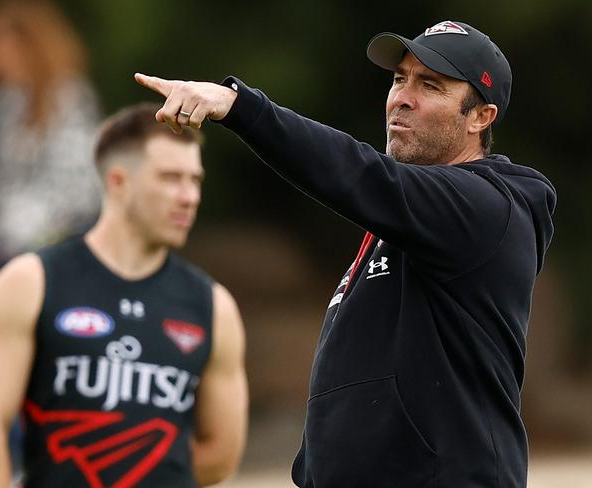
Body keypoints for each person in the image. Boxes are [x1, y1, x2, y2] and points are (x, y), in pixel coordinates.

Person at [135, 20, 556, 488]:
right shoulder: (399, 227)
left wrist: (241, 108)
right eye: (400, 79)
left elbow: (361, 174)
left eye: (430, 85)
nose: (402, 97)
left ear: (480, 117)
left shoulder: (488, 207)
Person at [0, 103, 248, 487]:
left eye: (195, 180)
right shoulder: (30, 282)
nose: (189, 197)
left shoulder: (213, 306)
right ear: (118, 182)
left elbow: (221, 454)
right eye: (170, 178)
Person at [0, 0, 102, 261]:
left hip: (65, 236)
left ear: (27, 43)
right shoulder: (6, 101)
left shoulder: (69, 97)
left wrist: (25, 231)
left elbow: (78, 187)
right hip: (5, 239)